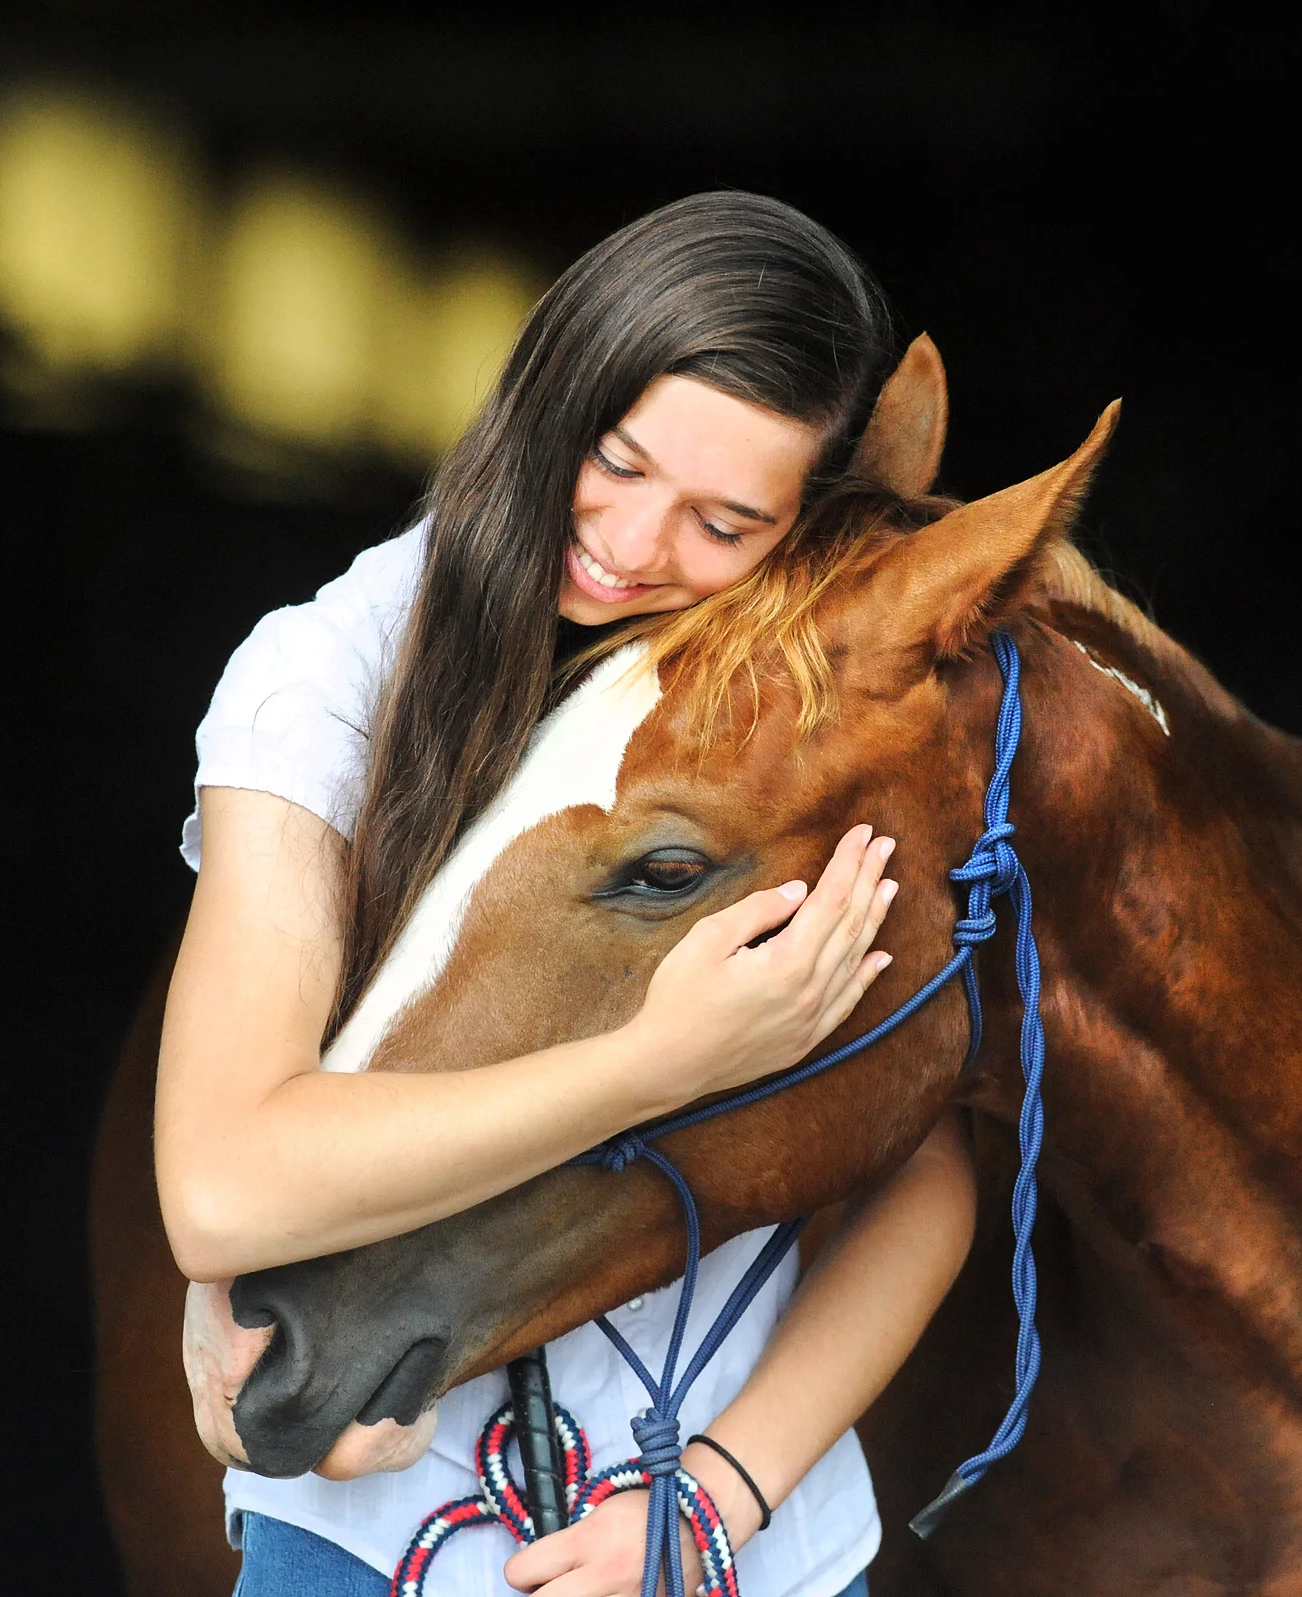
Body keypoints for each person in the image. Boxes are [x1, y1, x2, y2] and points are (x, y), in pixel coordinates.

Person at [155, 191, 977, 1597]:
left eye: (724, 522)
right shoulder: (328, 687)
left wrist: (712, 1506)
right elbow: (223, 1187)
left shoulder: (779, 738)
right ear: (553, 388)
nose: (634, 545)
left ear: (801, 533)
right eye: (614, 458)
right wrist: (658, 1062)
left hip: (743, 1550)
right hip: (383, 1538)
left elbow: (927, 1171)